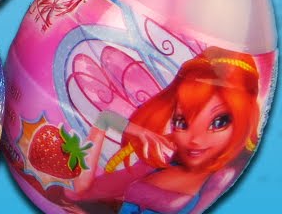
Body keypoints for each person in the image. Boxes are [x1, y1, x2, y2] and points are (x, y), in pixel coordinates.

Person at [68, 47, 262, 214]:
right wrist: (111, 124)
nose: (195, 139)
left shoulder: (223, 177)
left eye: (219, 122)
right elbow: (82, 191)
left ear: (246, 118)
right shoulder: (162, 161)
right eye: (181, 122)